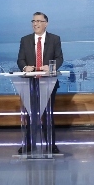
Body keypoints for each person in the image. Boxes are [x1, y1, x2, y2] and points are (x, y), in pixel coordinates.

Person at [16, 12, 65, 153]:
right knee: (30, 115)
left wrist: (51, 67)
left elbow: (59, 58)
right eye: (33, 21)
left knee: (48, 115)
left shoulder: (54, 39)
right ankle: (28, 145)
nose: (35, 24)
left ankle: (51, 145)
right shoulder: (25, 40)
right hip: (30, 84)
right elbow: (20, 60)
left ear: (46, 24)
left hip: (48, 83)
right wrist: (25, 67)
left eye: (38, 21)